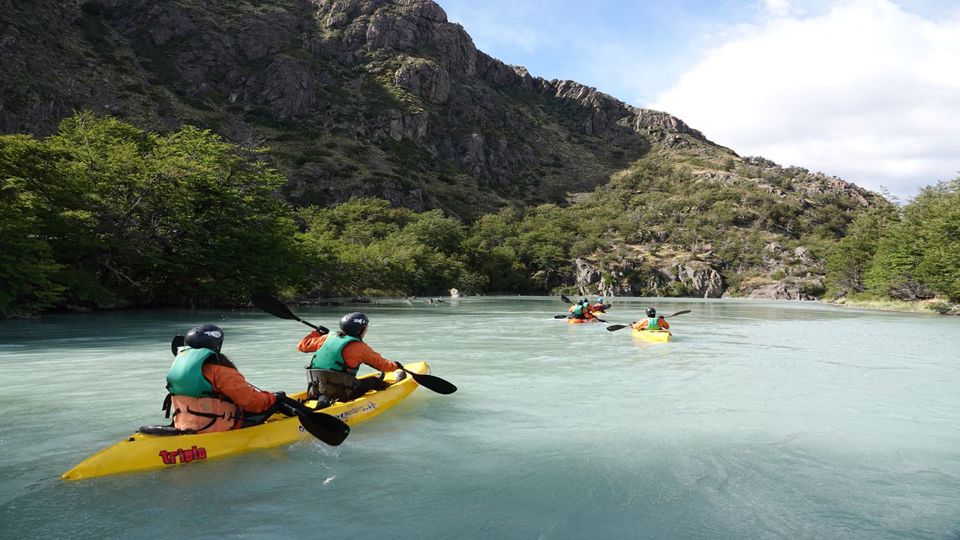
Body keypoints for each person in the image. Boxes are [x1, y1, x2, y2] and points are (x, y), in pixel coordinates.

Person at [164, 324, 282, 434]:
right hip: (219, 429)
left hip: (185, 427)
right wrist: (273, 398)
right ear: (217, 346)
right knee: (279, 401)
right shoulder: (222, 373)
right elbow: (251, 402)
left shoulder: (177, 370)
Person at [298, 312, 405, 408]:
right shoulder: (359, 347)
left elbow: (302, 346)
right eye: (366, 327)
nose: (366, 329)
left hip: (315, 390)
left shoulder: (326, 338)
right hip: (342, 393)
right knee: (373, 381)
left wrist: (317, 333)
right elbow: (383, 366)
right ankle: (391, 387)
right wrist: (395, 366)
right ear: (360, 330)